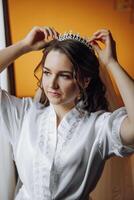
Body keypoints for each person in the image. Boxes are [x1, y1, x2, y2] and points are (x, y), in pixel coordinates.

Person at [0, 26, 134, 200]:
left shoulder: (100, 127)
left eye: (64, 75)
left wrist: (111, 63)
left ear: (85, 81)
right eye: (47, 73)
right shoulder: (24, 114)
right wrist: (24, 46)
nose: (52, 84)